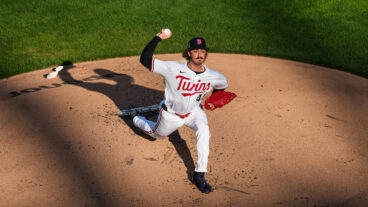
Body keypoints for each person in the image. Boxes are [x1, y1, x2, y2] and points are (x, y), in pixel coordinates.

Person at [133, 29, 228, 193]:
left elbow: (223, 86)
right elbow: (145, 59)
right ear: (189, 52)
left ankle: (200, 174)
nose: (199, 54)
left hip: (193, 112)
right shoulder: (173, 68)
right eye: (196, 51)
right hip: (171, 115)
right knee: (156, 135)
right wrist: (158, 37)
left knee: (204, 129)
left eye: (202, 51)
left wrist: (214, 99)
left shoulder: (213, 75)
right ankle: (136, 119)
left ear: (206, 54)